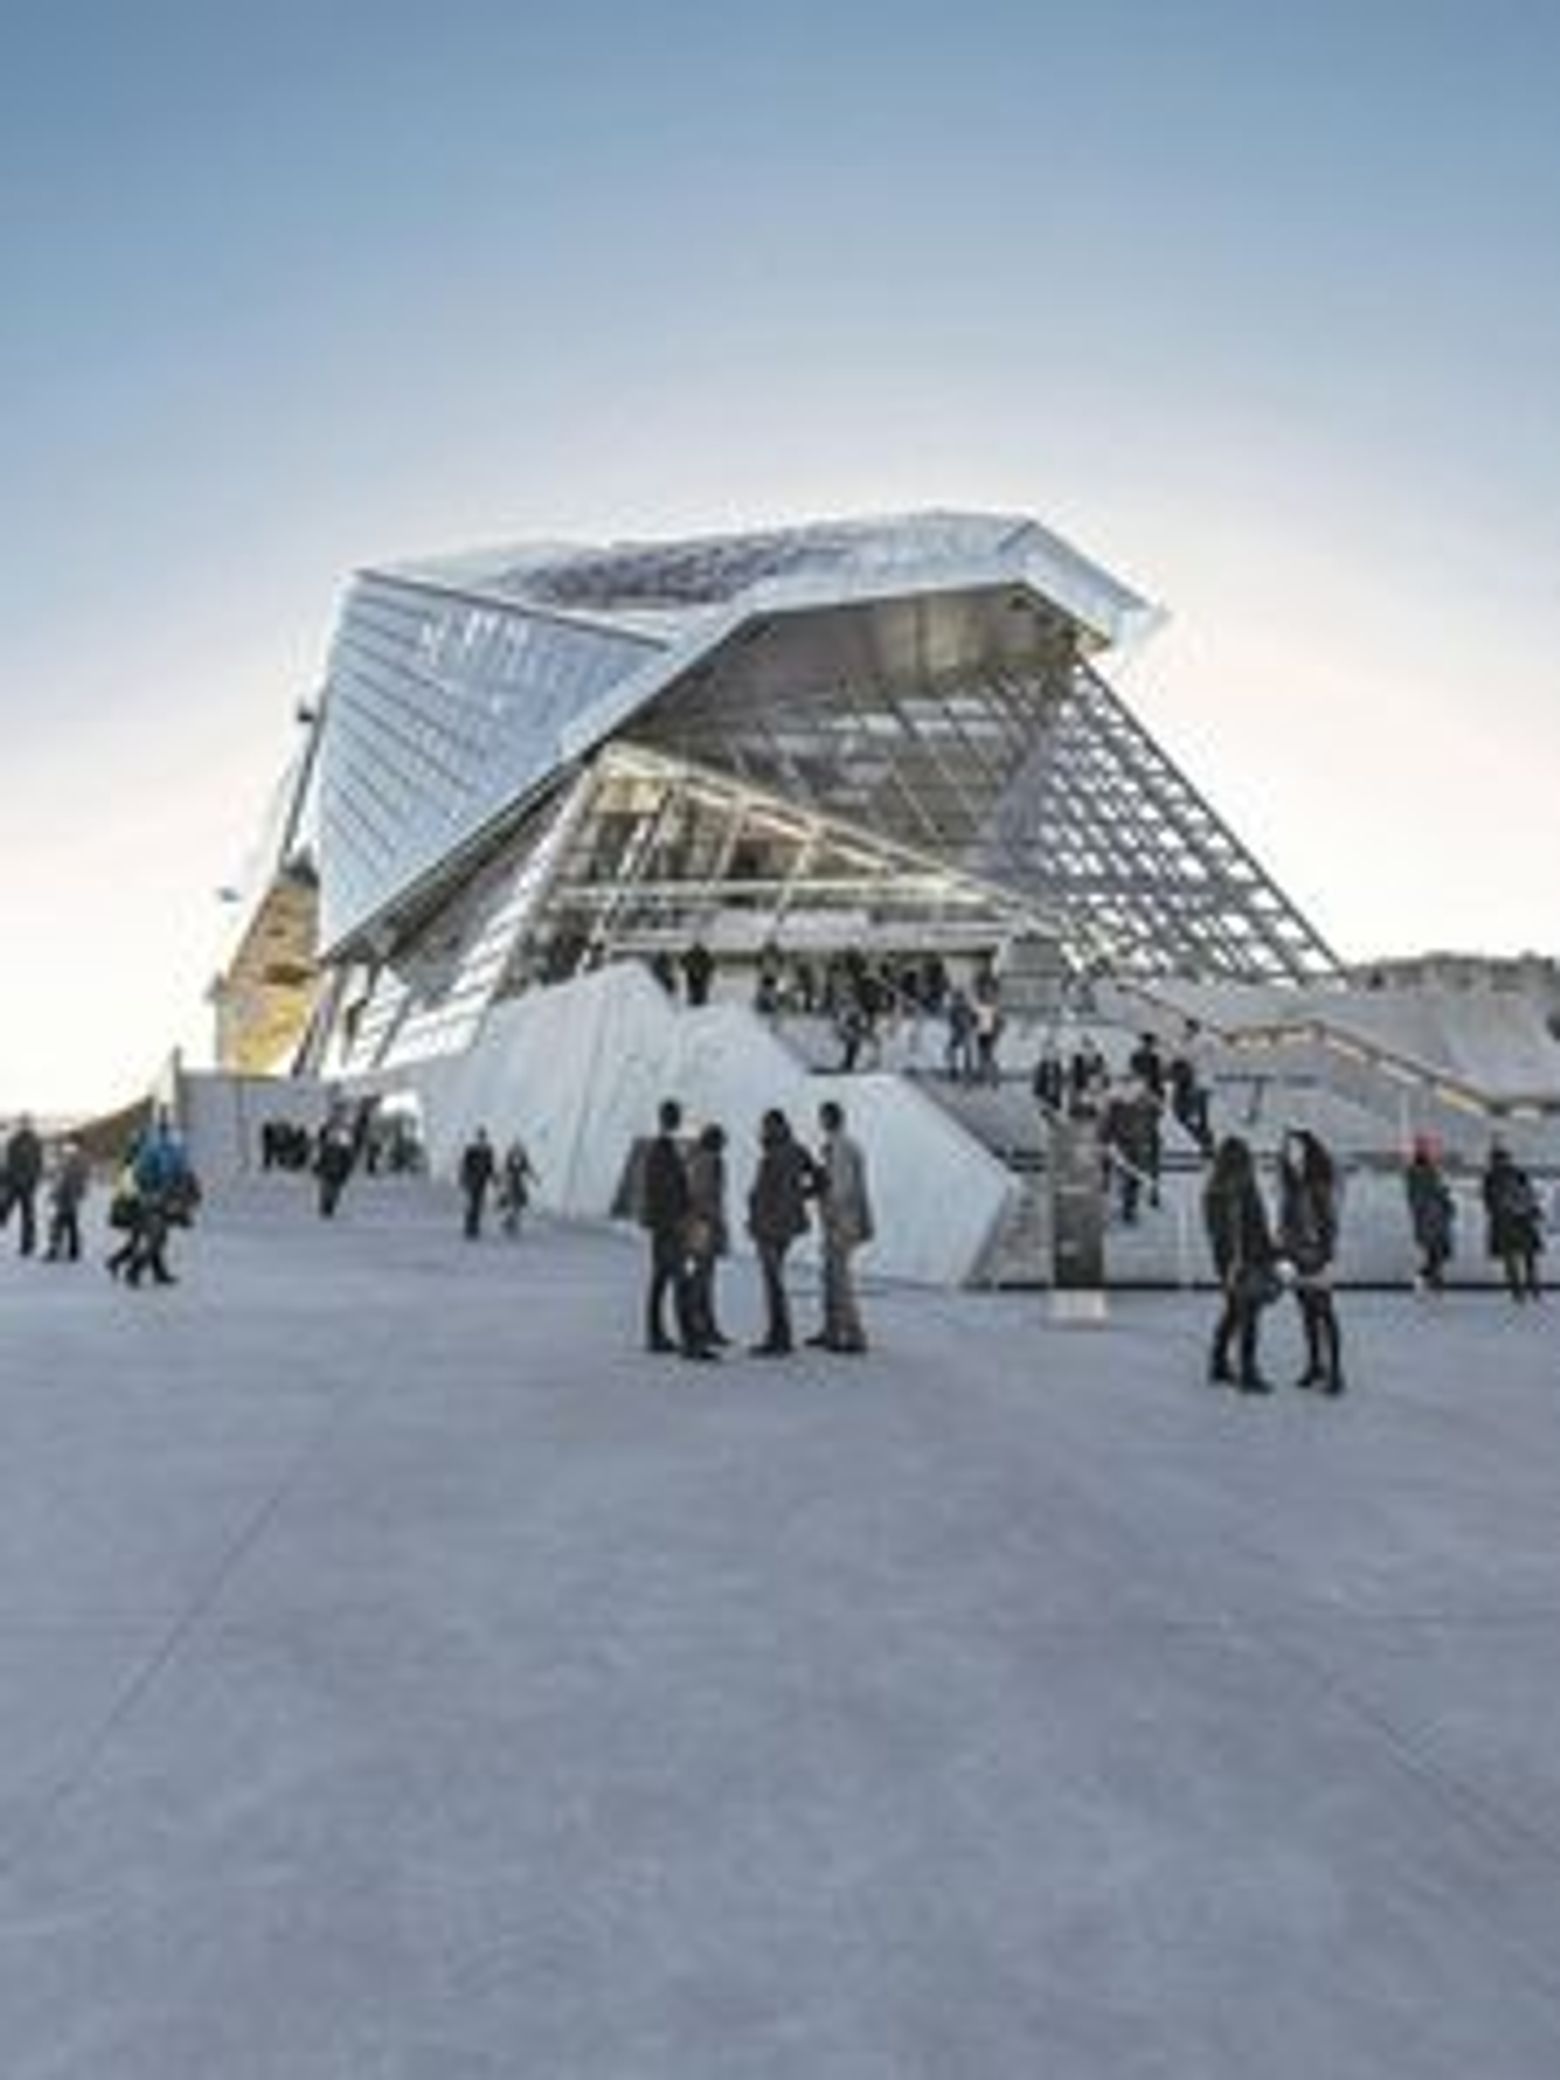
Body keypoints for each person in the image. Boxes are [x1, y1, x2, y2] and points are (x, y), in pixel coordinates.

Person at [1202, 1135, 1277, 1391]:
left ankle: (1219, 1363)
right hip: (1243, 1260)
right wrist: (1239, 1260)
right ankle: (1248, 1372)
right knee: (1248, 1315)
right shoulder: (1237, 1188)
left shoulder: (1216, 1188)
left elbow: (1220, 1231)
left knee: (1234, 1311)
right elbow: (1239, 1228)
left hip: (1229, 1260)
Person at [1278, 1129, 1344, 1392]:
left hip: (1316, 1257)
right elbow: (1287, 1224)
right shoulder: (1294, 1186)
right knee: (1307, 1314)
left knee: (1324, 1313)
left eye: (1296, 1150)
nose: (1292, 1156)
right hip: (1297, 1257)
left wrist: (1327, 1257)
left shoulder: (1319, 1184)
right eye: (1288, 1151)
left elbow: (1329, 1224)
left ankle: (1335, 1372)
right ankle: (1315, 1365)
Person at [746, 1108, 815, 1355]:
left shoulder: (772, 1155)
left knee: (773, 1282)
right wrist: (801, 1197)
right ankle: (779, 1335)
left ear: (773, 1126)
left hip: (769, 1226)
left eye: (766, 1125)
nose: (763, 1130)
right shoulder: (797, 1150)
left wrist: (754, 1218)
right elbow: (820, 1178)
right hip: (787, 1224)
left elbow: (763, 1194)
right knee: (775, 1280)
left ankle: (778, 1338)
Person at [809, 1100, 873, 1353]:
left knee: (840, 1280)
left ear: (829, 1119)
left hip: (841, 1222)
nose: (821, 1121)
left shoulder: (841, 1147)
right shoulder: (838, 1145)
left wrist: (830, 1208)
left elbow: (842, 1188)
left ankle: (854, 1335)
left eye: (823, 1117)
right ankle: (831, 1330)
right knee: (829, 1277)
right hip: (838, 1221)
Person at [641, 1099, 691, 1353]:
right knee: (679, 1280)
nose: (678, 1119)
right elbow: (666, 1191)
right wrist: (679, 1219)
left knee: (661, 1280)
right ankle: (688, 1340)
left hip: (663, 1225)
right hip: (668, 1227)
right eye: (676, 1115)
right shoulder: (662, 1150)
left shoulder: (661, 1148)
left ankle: (656, 1334)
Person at [121, 1112, 193, 1288]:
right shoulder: (160, 1150)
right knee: (157, 1238)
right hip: (155, 1199)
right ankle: (134, 1270)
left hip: (154, 1198)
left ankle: (159, 1273)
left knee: (157, 1237)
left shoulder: (162, 1149)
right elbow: (166, 1175)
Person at [682, 1122, 729, 1358]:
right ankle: (699, 1328)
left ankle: (706, 1326)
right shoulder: (707, 1162)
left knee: (704, 1276)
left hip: (700, 1224)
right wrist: (714, 1221)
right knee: (701, 1277)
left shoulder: (699, 1159)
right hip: (703, 1225)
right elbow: (703, 1196)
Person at [1481, 1143, 1543, 1302]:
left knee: (1511, 1258)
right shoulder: (1518, 1173)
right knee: (1527, 1256)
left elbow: (1488, 1202)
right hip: (1522, 1219)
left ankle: (1518, 1291)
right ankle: (1533, 1287)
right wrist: (1534, 1210)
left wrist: (1496, 1211)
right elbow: (1529, 1194)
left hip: (1504, 1222)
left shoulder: (1491, 1177)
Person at [1404, 1136, 1455, 1292]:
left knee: (1434, 1252)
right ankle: (1429, 1279)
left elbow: (1415, 1197)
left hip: (1429, 1218)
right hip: (1433, 1217)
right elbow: (1438, 1193)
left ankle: (1433, 1280)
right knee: (1436, 1252)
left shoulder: (1415, 1175)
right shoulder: (1424, 1175)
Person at [2, 1113, 44, 1257]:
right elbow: (8, 1163)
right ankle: (28, 1244)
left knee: (28, 1217)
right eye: (22, 1123)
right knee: (3, 1212)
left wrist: (35, 1180)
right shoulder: (13, 1142)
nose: (24, 1125)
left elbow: (39, 1164)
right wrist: (5, 1180)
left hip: (27, 1186)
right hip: (13, 1184)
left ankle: (28, 1245)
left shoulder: (36, 1142)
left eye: (26, 1123)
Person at [44, 1140, 91, 1262]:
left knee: (59, 1223)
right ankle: (72, 1250)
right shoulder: (73, 1159)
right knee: (70, 1223)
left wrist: (56, 1192)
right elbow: (59, 1176)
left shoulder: (76, 1160)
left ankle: (55, 1250)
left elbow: (66, 1177)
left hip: (68, 1195)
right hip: (68, 1195)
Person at [314, 1114, 355, 1218]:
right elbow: (321, 1154)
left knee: (332, 1191)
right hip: (330, 1171)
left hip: (335, 1172)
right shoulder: (329, 1146)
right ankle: (325, 1208)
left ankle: (328, 1208)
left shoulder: (341, 1147)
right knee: (327, 1190)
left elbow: (348, 1160)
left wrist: (346, 1171)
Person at [459, 1127, 496, 1239]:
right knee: (472, 1203)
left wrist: (494, 1178)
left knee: (479, 1203)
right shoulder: (471, 1150)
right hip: (472, 1180)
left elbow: (490, 1166)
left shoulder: (489, 1150)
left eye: (483, 1136)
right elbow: (465, 1165)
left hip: (482, 1181)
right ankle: (469, 1227)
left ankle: (475, 1226)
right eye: (480, 1136)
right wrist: (463, 1178)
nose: (482, 1138)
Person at [498, 1136, 537, 1237]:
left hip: (517, 1183)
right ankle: (509, 1221)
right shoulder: (510, 1157)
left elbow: (528, 1169)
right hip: (511, 1183)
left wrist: (535, 1178)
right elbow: (504, 1169)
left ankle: (512, 1222)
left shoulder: (522, 1158)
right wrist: (500, 1178)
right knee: (511, 1203)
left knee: (517, 1204)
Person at [682, 939, 714, 1008]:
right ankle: (694, 1000)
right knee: (693, 989)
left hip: (702, 975)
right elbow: (683, 962)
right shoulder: (690, 954)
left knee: (701, 988)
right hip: (692, 975)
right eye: (696, 948)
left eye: (698, 948)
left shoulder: (704, 954)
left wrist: (705, 969)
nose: (697, 950)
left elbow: (711, 964)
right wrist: (689, 967)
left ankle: (701, 1000)